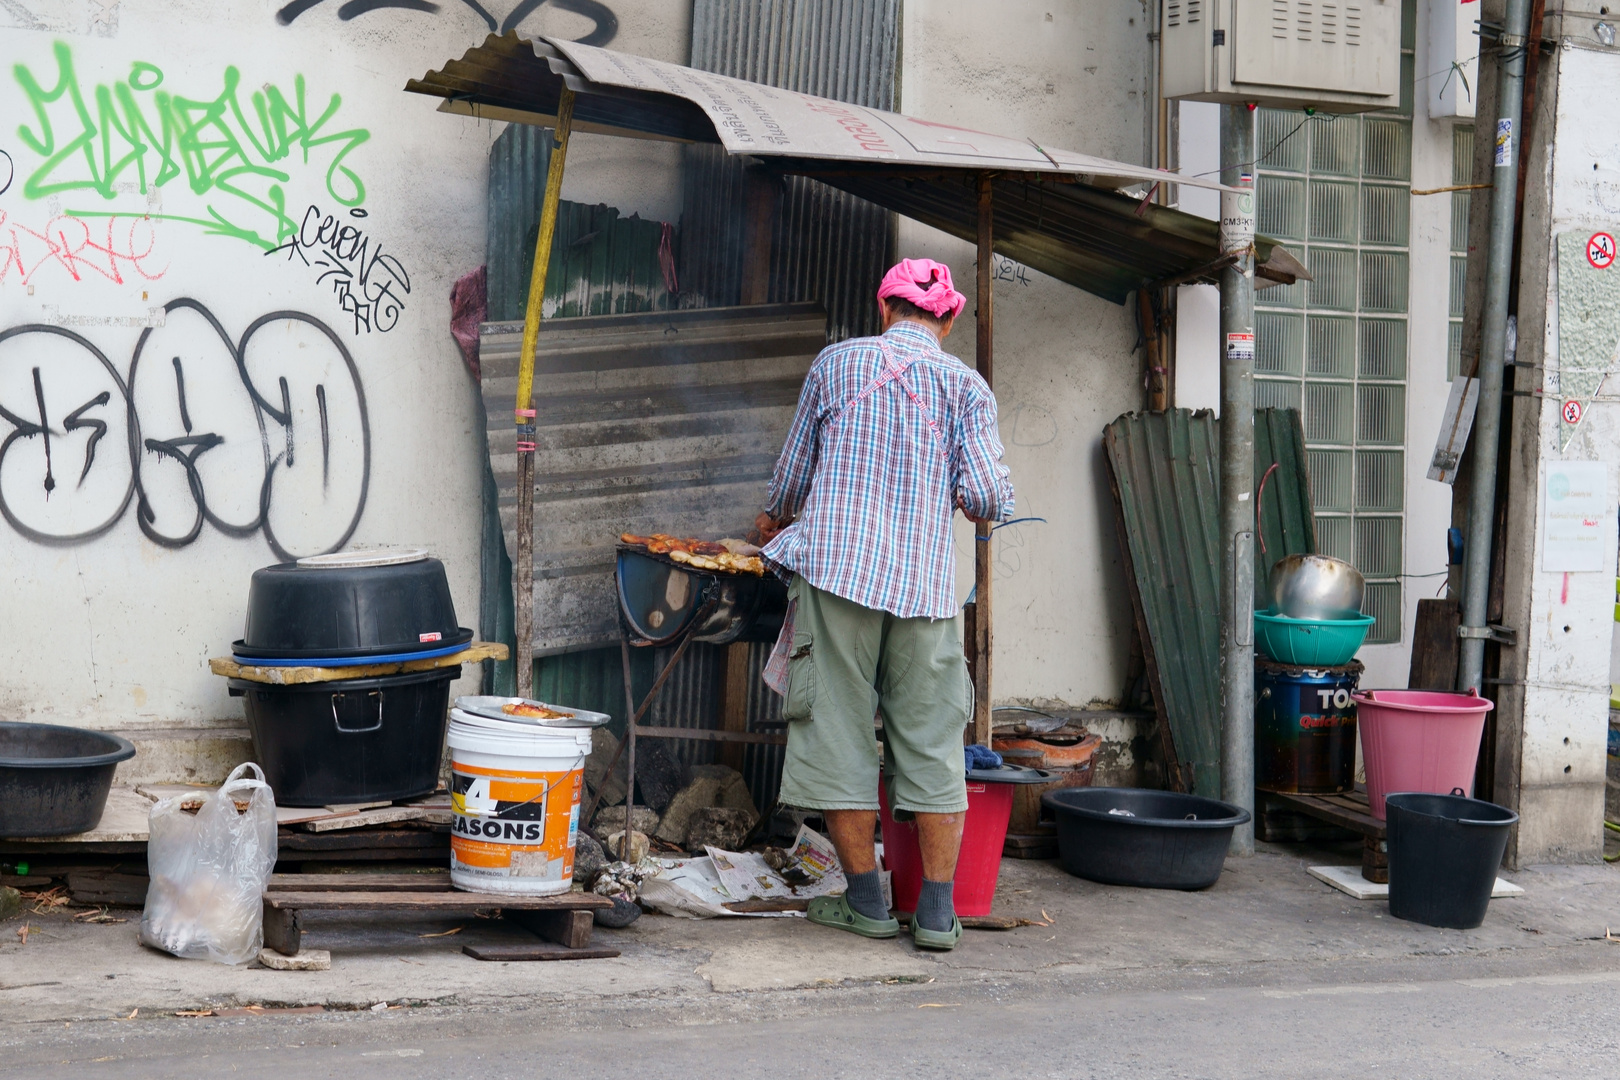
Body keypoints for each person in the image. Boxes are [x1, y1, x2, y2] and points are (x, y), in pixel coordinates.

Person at [754, 258, 1015, 951]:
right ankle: (935, 916)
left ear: (883, 307)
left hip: (836, 574)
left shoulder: (836, 365)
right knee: (933, 747)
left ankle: (866, 903)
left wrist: (776, 518)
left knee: (838, 734)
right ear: (949, 319)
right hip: (925, 589)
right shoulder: (967, 386)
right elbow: (990, 498)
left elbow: (791, 478)